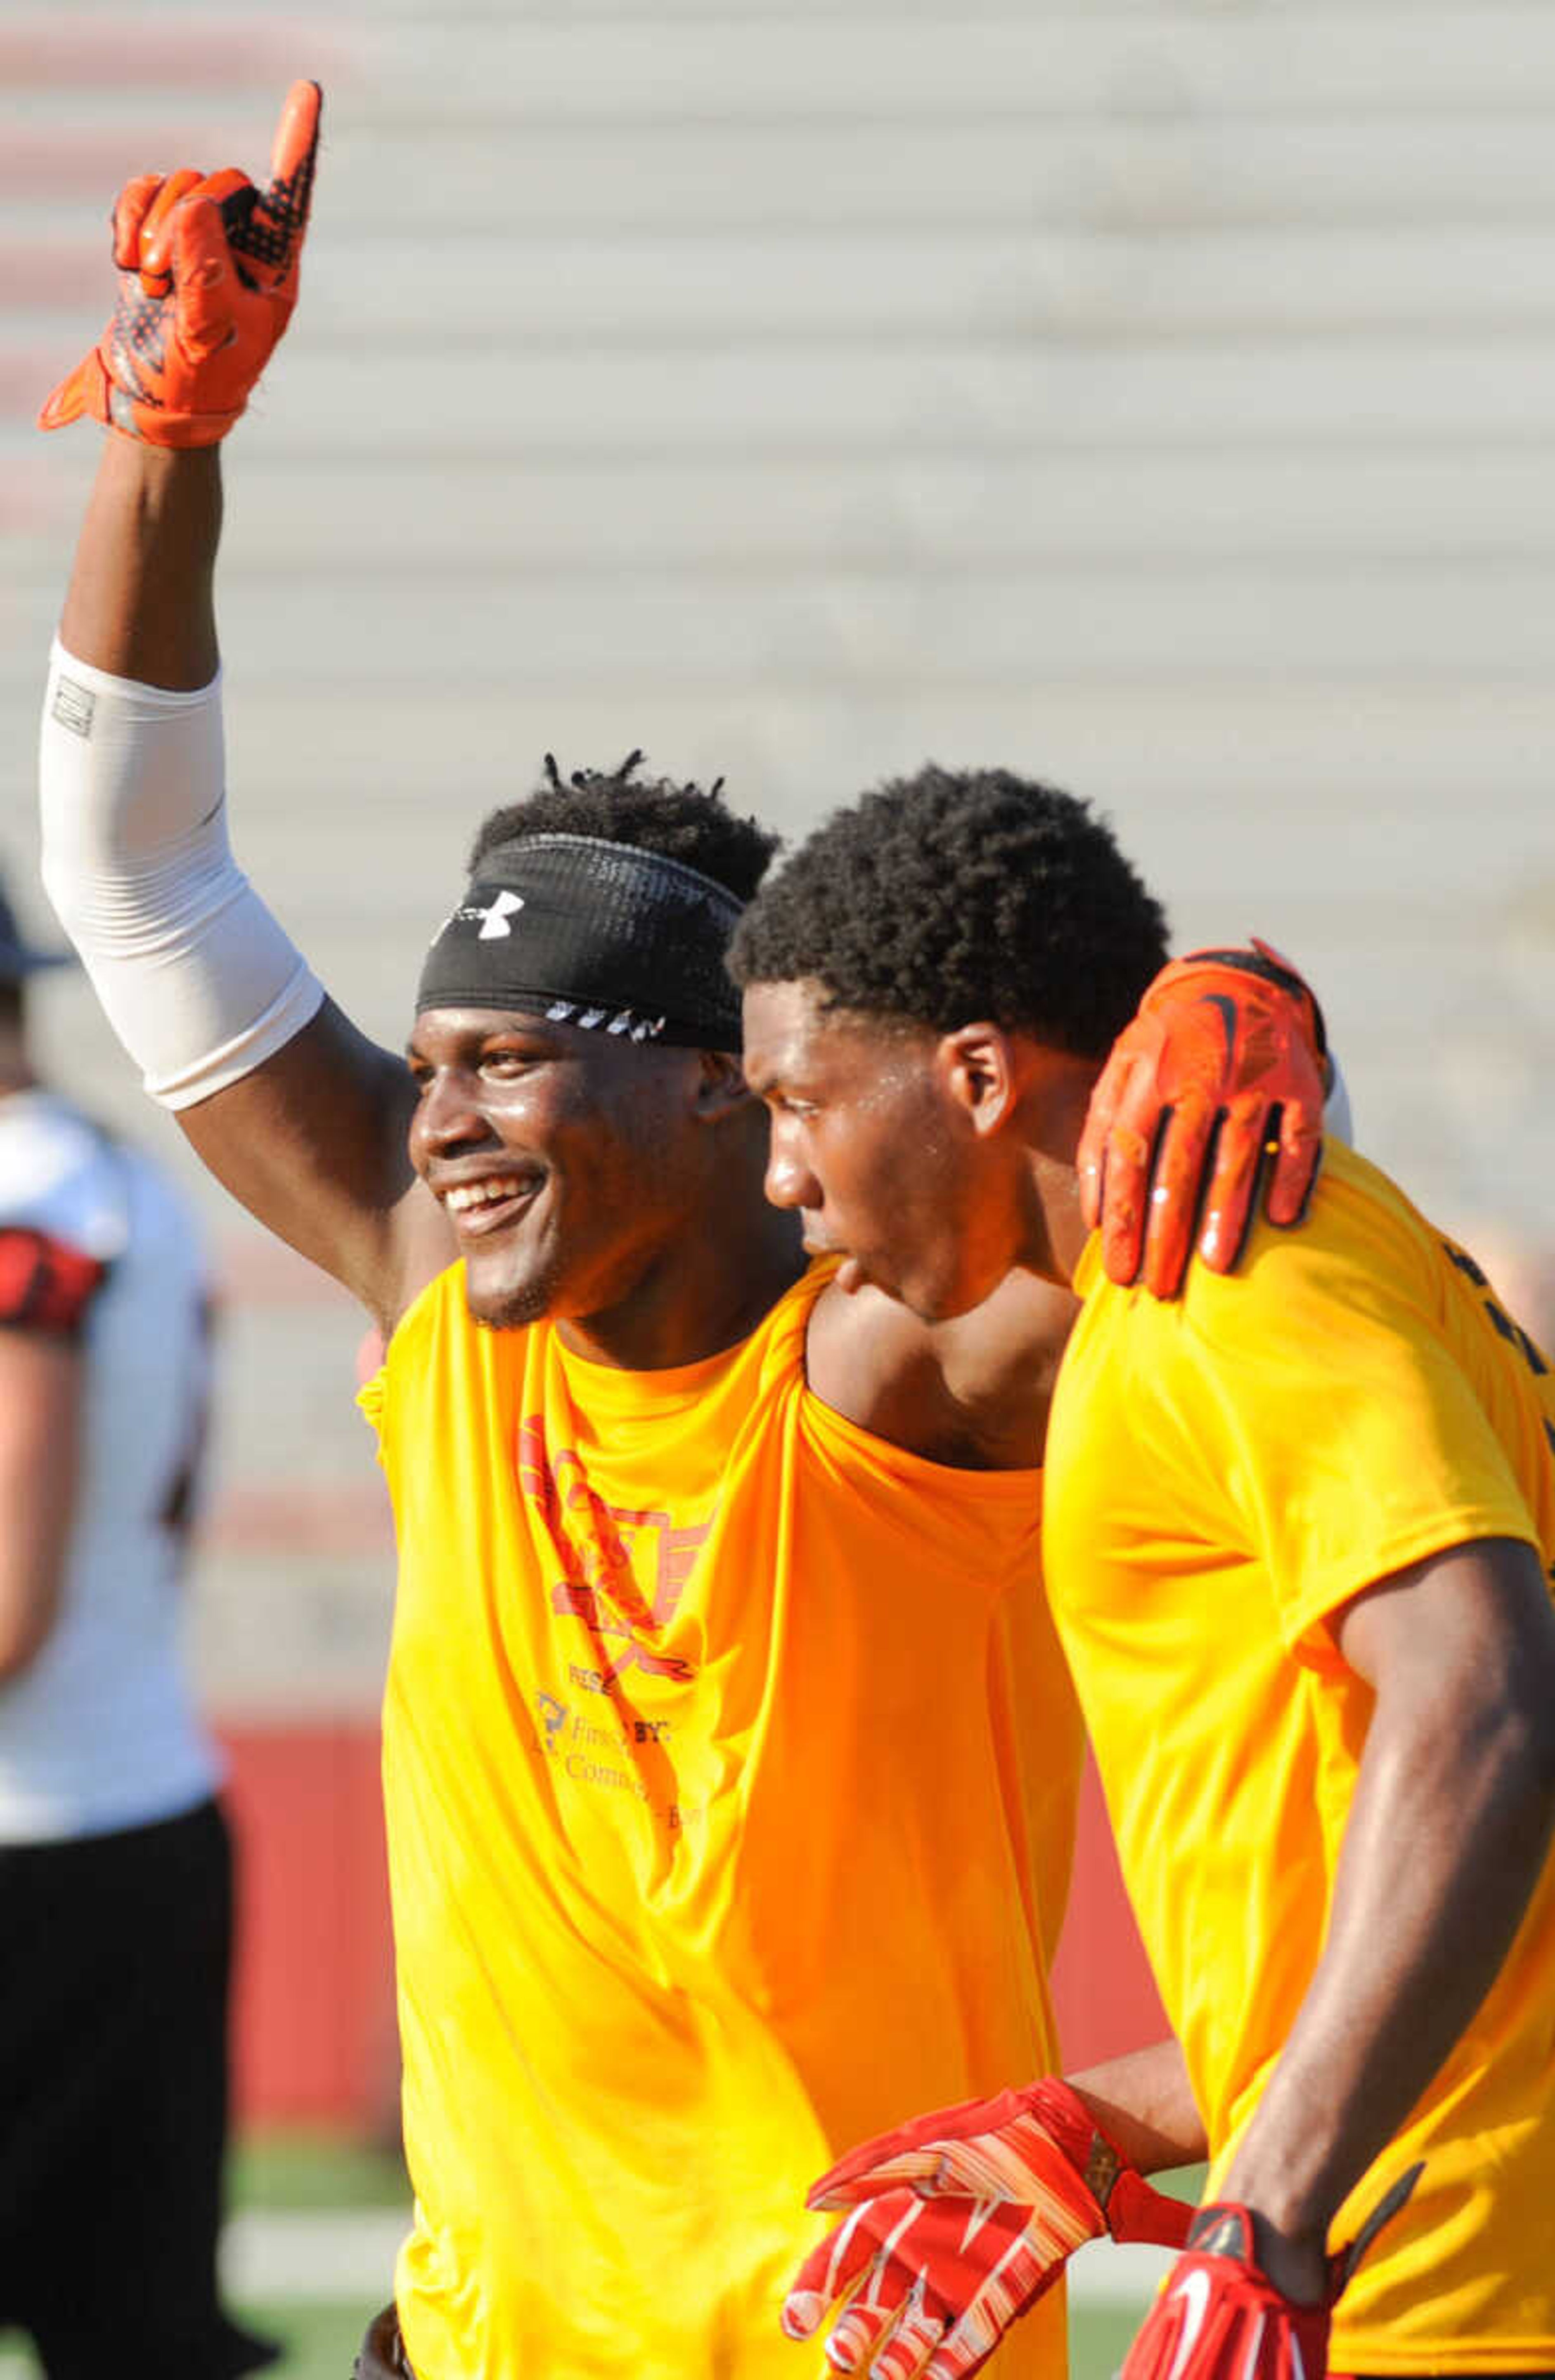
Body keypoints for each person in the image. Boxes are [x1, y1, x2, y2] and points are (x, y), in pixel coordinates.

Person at [34, 86, 1333, 2380]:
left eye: (512, 1060)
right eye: (427, 1060)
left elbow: (1227, 1243)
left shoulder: (907, 1369)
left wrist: (1228, 1001)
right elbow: (139, 873)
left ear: (725, 1084)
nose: (433, 1117)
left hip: (866, 2349)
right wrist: (170, 435)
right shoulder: (443, 1301)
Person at [728, 765, 1555, 2380]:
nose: (782, 1173)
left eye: (796, 1098)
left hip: (1435, 2296)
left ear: (976, 1072)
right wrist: (1103, 2121)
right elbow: (1479, 1879)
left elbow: (1492, 1707)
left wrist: (1263, 2206)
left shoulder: (1215, 1286)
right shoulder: (1332, 1237)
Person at [0, 876, 273, 2380]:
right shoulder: (100, 1175)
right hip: (129, 1818)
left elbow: (6, 1602)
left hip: (34, 1853)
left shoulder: (25, 1196)